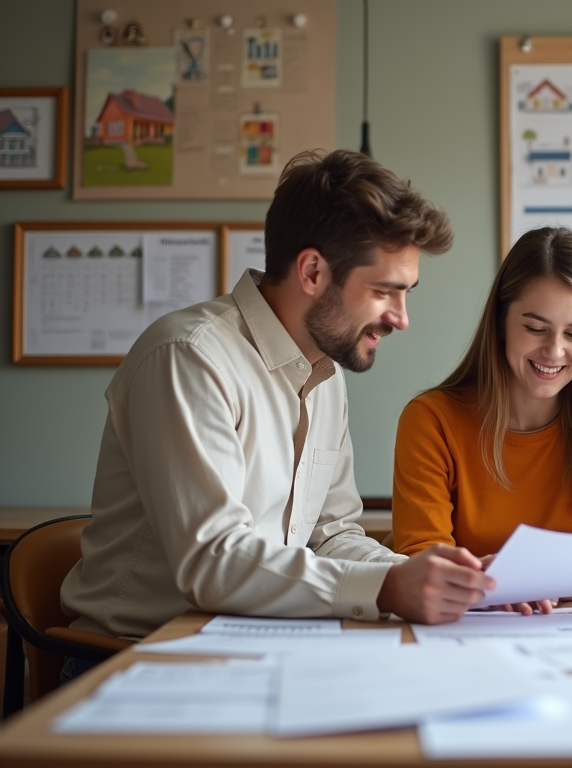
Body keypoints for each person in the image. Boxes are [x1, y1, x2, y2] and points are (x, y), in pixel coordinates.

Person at [61, 149, 496, 662]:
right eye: (384, 291)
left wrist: (455, 585)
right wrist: (385, 588)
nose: (401, 319)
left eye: (406, 294)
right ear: (312, 271)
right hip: (135, 659)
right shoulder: (190, 357)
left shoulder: (325, 372)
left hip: (254, 646)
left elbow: (330, 533)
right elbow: (213, 561)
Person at [390, 227, 572, 608]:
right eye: (535, 329)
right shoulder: (431, 421)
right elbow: (421, 560)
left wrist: (561, 589)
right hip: (460, 630)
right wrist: (494, 587)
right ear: (499, 323)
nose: (554, 351)